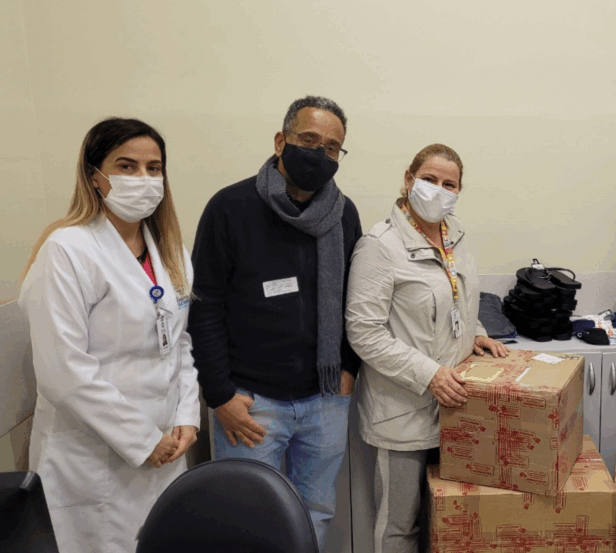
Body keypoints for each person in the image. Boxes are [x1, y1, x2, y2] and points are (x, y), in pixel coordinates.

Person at [19, 117, 199, 553]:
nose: (144, 179)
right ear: (94, 176)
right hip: (92, 455)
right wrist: (141, 440)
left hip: (166, 445)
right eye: (127, 166)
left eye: (154, 168)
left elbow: (179, 343)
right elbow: (63, 371)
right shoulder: (67, 249)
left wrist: (187, 416)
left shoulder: (171, 250)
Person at [188, 96, 362, 548]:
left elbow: (355, 303)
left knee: (316, 515)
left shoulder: (343, 214)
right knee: (247, 522)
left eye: (331, 147)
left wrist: (346, 371)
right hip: (250, 403)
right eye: (309, 140)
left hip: (324, 400)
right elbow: (204, 306)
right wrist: (220, 394)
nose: (319, 153)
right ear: (281, 140)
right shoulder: (230, 207)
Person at [345, 144, 509, 553]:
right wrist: (429, 374)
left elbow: (457, 300)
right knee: (400, 526)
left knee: (448, 521)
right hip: (402, 411)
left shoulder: (454, 237)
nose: (438, 190)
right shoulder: (380, 246)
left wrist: (475, 331)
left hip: (454, 406)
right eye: (429, 179)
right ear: (408, 178)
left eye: (448, 184)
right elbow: (364, 332)